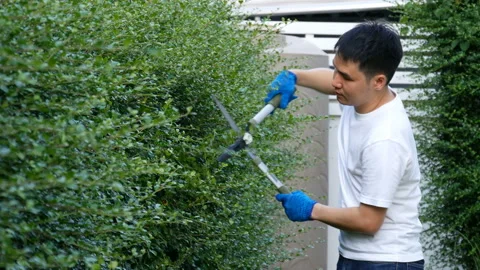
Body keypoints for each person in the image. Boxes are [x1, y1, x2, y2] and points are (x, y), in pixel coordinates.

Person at [265, 21, 424, 269]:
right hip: (358, 256)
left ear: (378, 81)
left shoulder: (385, 139)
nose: (336, 81)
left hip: (386, 262)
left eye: (346, 77)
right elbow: (333, 81)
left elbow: (368, 221)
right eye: (335, 70)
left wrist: (311, 209)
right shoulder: (362, 96)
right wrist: (294, 76)